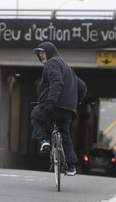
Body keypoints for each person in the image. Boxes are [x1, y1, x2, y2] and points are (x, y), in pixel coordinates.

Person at [31, 41, 87, 176]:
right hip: (67, 110)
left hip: (52, 105)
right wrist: (75, 102)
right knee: (65, 133)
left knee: (35, 115)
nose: (41, 55)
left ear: (50, 51)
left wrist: (50, 102)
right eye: (39, 53)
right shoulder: (67, 67)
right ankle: (72, 166)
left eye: (43, 52)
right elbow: (83, 87)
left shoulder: (52, 63)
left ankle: (44, 141)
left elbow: (57, 81)